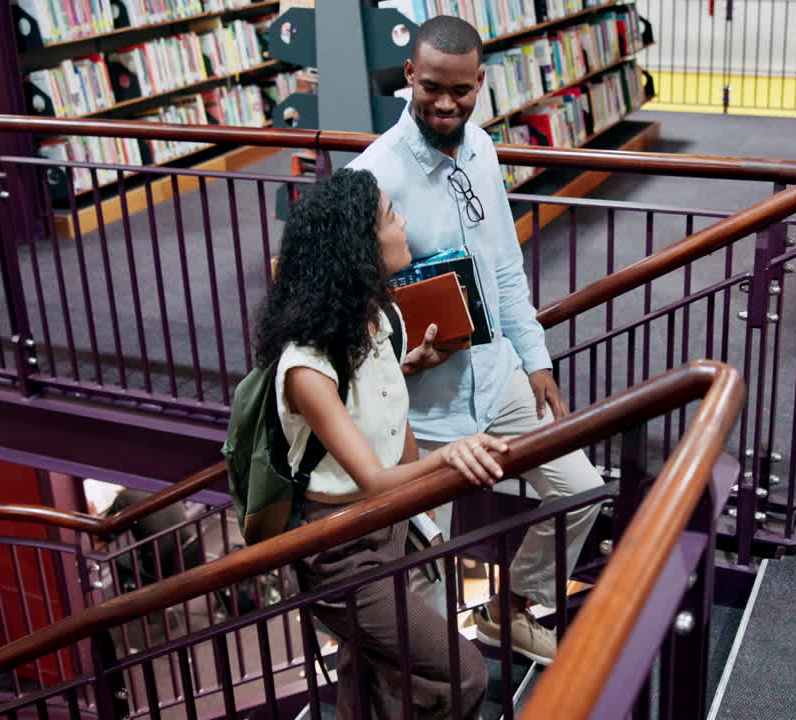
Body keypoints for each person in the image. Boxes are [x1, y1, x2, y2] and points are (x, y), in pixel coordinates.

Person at [347, 15, 604, 664]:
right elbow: (342, 320)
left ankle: (508, 608)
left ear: (481, 84)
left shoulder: (484, 148)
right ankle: (435, 683)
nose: (444, 103)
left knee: (580, 489)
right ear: (409, 75)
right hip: (424, 410)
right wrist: (404, 362)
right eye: (431, 86)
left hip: (499, 378)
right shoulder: (371, 179)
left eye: (460, 91)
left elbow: (505, 269)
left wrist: (536, 358)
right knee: (424, 572)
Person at [253, 169, 502, 719]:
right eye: (392, 217)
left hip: (386, 524)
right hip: (341, 548)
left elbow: (372, 403)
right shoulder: (306, 367)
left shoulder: (375, 318)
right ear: (359, 247)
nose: (404, 223)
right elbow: (371, 477)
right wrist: (449, 457)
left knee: (368, 667)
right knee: (463, 673)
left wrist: (407, 367)